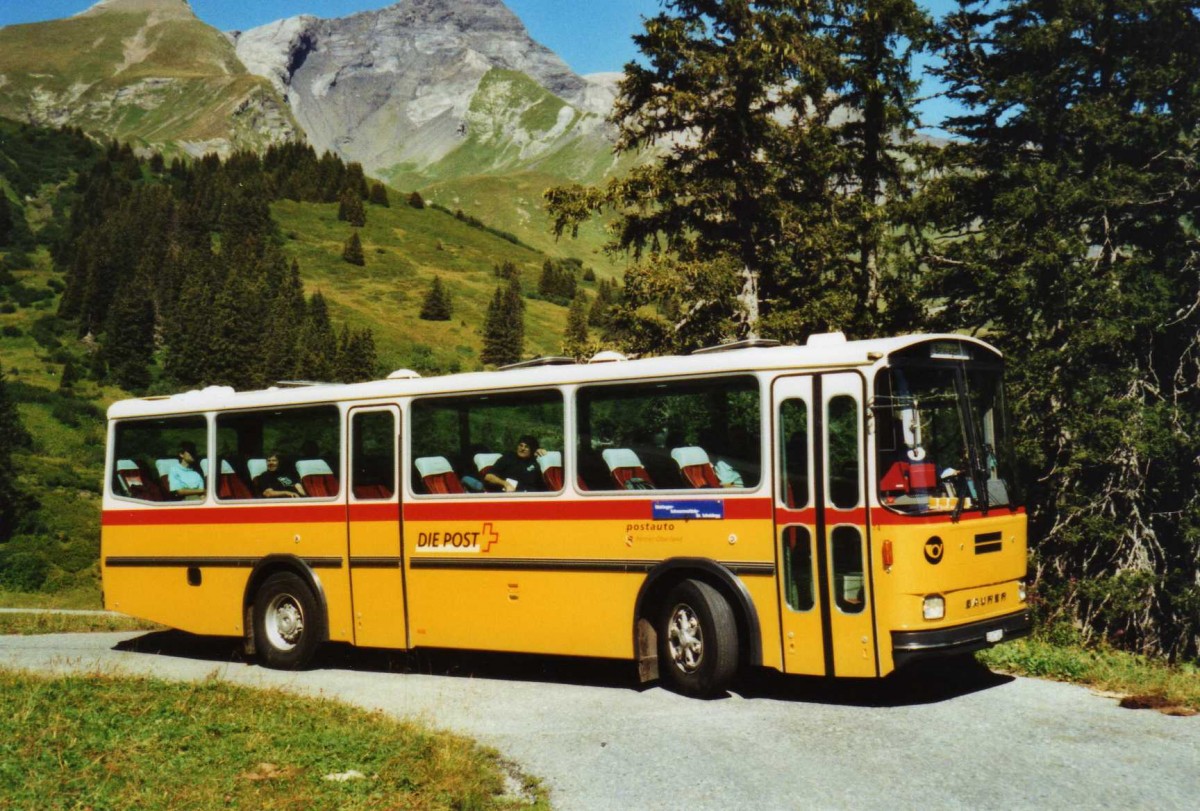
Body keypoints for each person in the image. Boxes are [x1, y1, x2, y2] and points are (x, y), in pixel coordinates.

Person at [482, 435, 546, 492]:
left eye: (526, 447)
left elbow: (542, 488)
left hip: (530, 497)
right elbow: (488, 477)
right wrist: (505, 484)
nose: (522, 448)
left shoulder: (534, 463)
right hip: (509, 495)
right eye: (521, 445)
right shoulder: (508, 457)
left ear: (532, 449)